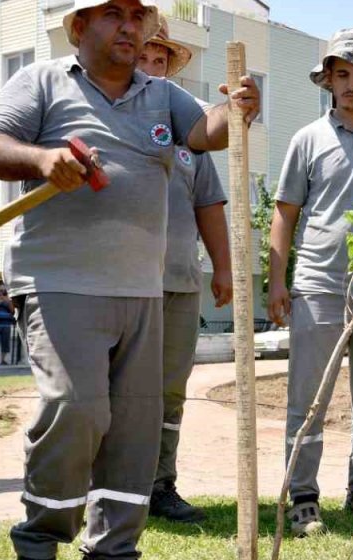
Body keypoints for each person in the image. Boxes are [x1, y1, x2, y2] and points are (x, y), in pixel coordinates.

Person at [0, 0, 259, 560]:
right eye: (112, 14)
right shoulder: (43, 82)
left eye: (137, 15)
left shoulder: (161, 96)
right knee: (76, 409)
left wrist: (236, 111)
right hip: (59, 283)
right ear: (79, 27)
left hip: (141, 288)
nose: (130, 27)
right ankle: (40, 551)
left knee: (134, 428)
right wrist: (42, 159)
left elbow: (206, 134)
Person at [269, 27, 353, 536]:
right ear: (327, 80)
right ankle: (302, 497)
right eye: (342, 74)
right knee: (308, 400)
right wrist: (276, 280)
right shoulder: (307, 139)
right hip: (320, 284)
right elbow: (285, 212)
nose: (351, 84)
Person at [135, 17, 231, 524]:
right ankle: (109, 487)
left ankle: (160, 485)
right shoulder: (118, 120)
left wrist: (223, 269)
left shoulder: (190, 134)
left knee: (171, 389)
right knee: (119, 390)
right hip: (123, 281)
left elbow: (209, 204)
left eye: (161, 60)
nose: (153, 68)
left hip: (178, 281)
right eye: (144, 58)